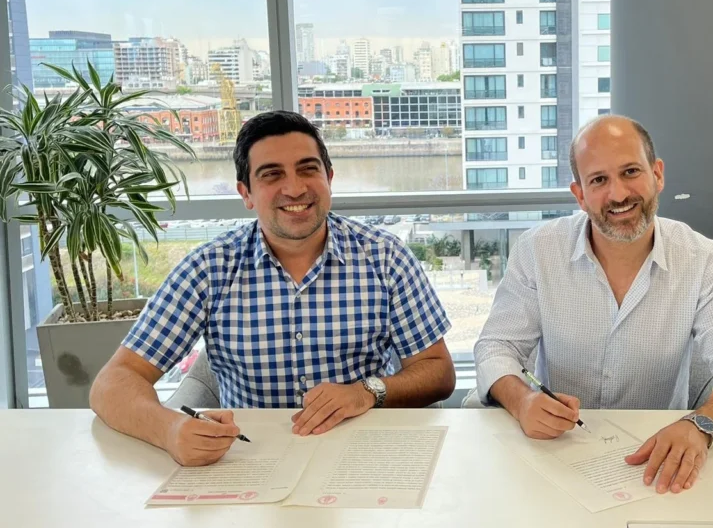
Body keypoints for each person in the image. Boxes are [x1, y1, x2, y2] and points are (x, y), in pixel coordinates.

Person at [91, 111, 455, 466]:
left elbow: (438, 372)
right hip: (247, 461)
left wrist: (367, 392)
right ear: (246, 193)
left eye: (308, 169)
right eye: (271, 174)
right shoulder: (209, 268)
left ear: (329, 178)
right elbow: (113, 383)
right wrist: (169, 429)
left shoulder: (385, 256)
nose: (295, 188)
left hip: (360, 458)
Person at [474, 115, 713, 495]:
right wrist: (522, 401)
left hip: (659, 458)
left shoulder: (703, 260)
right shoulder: (538, 251)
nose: (618, 195)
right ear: (580, 195)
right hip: (554, 454)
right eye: (598, 180)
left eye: (630, 172)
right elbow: (496, 347)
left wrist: (701, 424)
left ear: (657, 174)